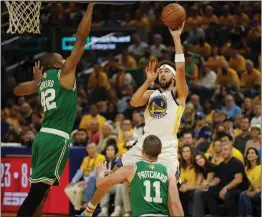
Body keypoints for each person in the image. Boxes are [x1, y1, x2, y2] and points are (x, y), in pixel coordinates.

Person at [82, 22, 188, 216]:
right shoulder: (151, 93)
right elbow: (133, 102)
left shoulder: (179, 94)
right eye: (161, 71)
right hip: (143, 144)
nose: (163, 73)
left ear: (173, 78)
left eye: (167, 72)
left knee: (171, 192)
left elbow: (181, 69)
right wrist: (147, 81)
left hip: (166, 148)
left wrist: (176, 37)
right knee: (112, 173)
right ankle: (88, 212)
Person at [13, 3, 95, 216]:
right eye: (62, 58)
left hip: (42, 138)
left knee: (40, 192)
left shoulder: (42, 81)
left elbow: (16, 91)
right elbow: (81, 40)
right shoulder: (64, 74)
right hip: (56, 139)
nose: (66, 59)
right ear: (58, 65)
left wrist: (34, 83)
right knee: (36, 195)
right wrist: (90, 7)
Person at [96, 135, 184, 216]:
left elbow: (101, 184)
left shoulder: (130, 169)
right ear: (160, 152)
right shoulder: (169, 173)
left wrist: (100, 173)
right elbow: (175, 204)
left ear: (142, 150)